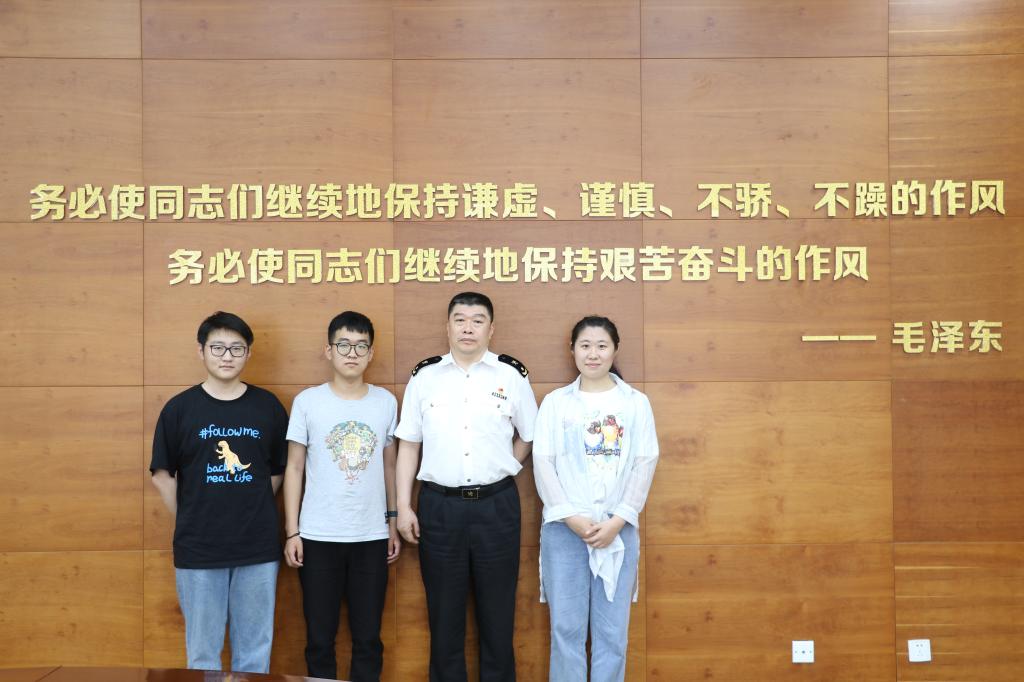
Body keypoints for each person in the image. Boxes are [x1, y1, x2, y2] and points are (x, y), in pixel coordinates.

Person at [395, 291, 538, 682]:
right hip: (439, 508)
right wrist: (403, 507)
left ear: (491, 329)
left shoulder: (510, 375)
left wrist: (508, 467)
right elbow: (409, 445)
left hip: (497, 506)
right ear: (448, 327)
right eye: (460, 319)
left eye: (477, 320)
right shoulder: (425, 377)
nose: (468, 328)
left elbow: (529, 435)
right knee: (444, 618)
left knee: (498, 615)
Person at [150, 311, 288, 673]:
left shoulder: (268, 407)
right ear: (201, 351)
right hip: (198, 547)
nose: (227, 356)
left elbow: (277, 472)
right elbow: (162, 475)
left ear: (248, 353)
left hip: (257, 546)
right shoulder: (179, 409)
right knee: (202, 655)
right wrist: (192, 516)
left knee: (255, 653)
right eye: (218, 347)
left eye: (236, 348)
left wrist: (251, 505)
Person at [532, 316, 659, 682]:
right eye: (585, 345)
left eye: (602, 346)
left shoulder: (635, 403)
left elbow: (645, 461)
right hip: (565, 530)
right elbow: (543, 462)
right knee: (566, 631)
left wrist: (618, 520)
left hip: (617, 529)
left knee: (612, 634)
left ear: (615, 350)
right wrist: (571, 517)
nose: (593, 354)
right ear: (572, 350)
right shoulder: (556, 403)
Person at [282, 311, 400, 682]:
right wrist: (292, 531)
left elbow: (389, 467)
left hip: (371, 536)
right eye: (344, 345)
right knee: (319, 639)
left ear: (371, 353)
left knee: (368, 639)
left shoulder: (385, 402)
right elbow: (294, 468)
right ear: (329, 350)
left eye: (361, 346)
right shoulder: (308, 402)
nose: (352, 353)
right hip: (318, 536)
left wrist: (392, 523)